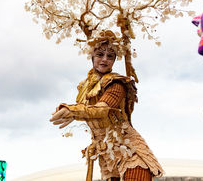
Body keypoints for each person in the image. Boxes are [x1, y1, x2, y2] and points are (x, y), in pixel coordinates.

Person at [50, 31, 164, 181]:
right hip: (106, 156)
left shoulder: (117, 83)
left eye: (110, 56)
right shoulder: (84, 86)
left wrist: (71, 110)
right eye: (99, 54)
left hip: (129, 151)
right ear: (92, 56)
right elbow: (87, 112)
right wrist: (70, 113)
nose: (104, 59)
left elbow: (101, 110)